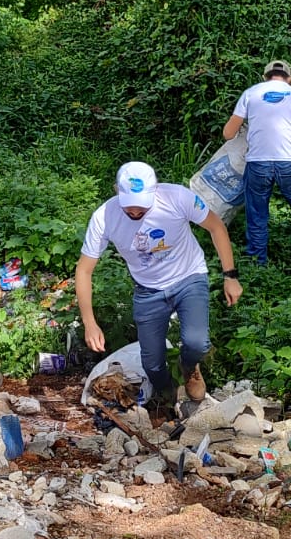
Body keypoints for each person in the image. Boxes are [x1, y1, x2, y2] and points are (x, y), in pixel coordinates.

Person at [74, 162, 243, 407]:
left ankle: (189, 368)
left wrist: (230, 276)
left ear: (155, 192)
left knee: (197, 342)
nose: (133, 210)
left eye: (141, 204)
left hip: (189, 276)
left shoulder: (177, 197)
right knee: (152, 364)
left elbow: (216, 227)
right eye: (128, 203)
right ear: (116, 192)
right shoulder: (104, 217)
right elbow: (84, 269)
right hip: (148, 289)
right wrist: (89, 323)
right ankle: (167, 394)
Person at [221, 60, 291, 274]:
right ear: (289, 78)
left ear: (265, 77)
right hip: (290, 164)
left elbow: (228, 134)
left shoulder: (250, 94)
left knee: (257, 217)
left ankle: (259, 271)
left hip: (258, 163)